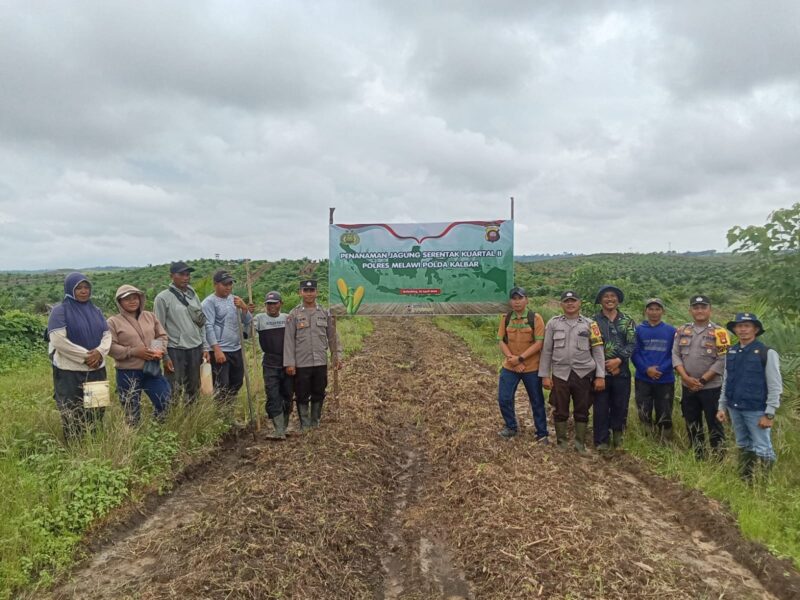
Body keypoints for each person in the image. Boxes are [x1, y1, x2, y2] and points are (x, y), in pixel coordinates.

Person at [716, 313, 782, 481]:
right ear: (735, 330)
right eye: (739, 326)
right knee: (743, 444)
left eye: (747, 326)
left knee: (763, 448)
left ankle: (764, 484)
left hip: (756, 410)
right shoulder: (731, 351)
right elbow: (726, 380)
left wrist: (769, 413)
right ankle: (746, 480)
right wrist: (722, 406)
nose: (743, 329)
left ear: (756, 329)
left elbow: (775, 386)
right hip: (734, 407)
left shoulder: (766, 353)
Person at [46, 272, 111, 440]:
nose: (84, 291)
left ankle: (95, 443)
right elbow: (58, 340)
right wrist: (86, 357)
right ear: (70, 289)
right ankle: (74, 446)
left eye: (86, 287)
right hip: (70, 371)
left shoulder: (95, 310)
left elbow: (107, 334)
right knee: (72, 411)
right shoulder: (60, 311)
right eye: (79, 288)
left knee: (97, 408)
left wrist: (99, 352)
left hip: (97, 368)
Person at [539, 290, 605, 454]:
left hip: (583, 373)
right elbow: (546, 351)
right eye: (566, 301)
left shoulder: (590, 324)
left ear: (579, 303)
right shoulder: (553, 324)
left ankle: (579, 444)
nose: (570, 304)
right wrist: (545, 375)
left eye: (573, 301)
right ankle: (561, 443)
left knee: (582, 409)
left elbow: (598, 351)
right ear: (561, 304)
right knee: (560, 408)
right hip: (560, 373)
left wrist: (600, 375)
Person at [672, 295, 729, 460]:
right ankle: (698, 456)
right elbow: (675, 355)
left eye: (703, 307)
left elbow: (722, 359)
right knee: (692, 422)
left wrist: (703, 380)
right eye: (696, 307)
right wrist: (686, 378)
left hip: (711, 387)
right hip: (687, 385)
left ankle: (718, 459)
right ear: (690, 310)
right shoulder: (682, 330)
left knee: (714, 424)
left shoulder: (719, 332)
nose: (699, 310)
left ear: (710, 309)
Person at [107, 285, 171, 426]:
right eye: (127, 299)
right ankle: (133, 438)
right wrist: (133, 351)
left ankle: (157, 430)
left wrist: (156, 350)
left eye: (135, 297)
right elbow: (110, 347)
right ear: (120, 302)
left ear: (140, 299)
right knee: (131, 410)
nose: (132, 301)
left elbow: (161, 335)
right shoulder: (113, 322)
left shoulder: (149, 316)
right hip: (127, 372)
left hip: (151, 368)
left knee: (164, 400)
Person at [284, 279, 342, 431]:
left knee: (319, 391)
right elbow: (289, 340)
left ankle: (315, 422)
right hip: (301, 363)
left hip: (320, 362)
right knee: (302, 394)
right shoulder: (294, 314)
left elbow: (332, 337)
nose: (309, 294)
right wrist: (290, 363)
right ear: (300, 292)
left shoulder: (325, 313)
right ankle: (305, 424)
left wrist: (336, 356)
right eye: (305, 291)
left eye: (312, 291)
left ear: (316, 292)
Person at [496, 286, 548, 441]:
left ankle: (542, 433)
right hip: (510, 366)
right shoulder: (506, 318)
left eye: (520, 298)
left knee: (537, 400)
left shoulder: (535, 318)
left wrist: (520, 359)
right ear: (510, 301)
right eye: (514, 298)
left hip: (531, 367)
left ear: (527, 300)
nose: (517, 302)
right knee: (504, 398)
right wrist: (512, 359)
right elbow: (501, 341)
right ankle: (511, 427)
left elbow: (539, 344)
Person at [154, 261, 208, 403]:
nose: (186, 277)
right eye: (181, 274)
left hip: (195, 347)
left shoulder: (193, 295)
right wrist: (164, 356)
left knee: (194, 386)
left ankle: (193, 419)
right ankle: (174, 420)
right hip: (175, 349)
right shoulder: (162, 298)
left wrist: (205, 346)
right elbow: (157, 328)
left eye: (187, 274)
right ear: (172, 276)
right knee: (174, 388)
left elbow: (201, 322)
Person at [591, 285, 636, 454]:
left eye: (613, 296)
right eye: (606, 296)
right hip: (600, 373)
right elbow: (591, 346)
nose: (610, 299)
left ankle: (618, 437)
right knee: (601, 406)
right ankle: (601, 440)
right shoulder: (593, 321)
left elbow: (632, 344)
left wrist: (618, 360)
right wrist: (604, 366)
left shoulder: (627, 320)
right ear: (600, 300)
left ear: (618, 299)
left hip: (622, 372)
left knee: (620, 405)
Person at [202, 269, 254, 405]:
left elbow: (248, 320)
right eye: (225, 284)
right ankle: (222, 418)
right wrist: (216, 349)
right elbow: (208, 326)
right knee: (222, 385)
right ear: (215, 284)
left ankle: (228, 412)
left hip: (236, 348)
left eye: (230, 284)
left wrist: (244, 308)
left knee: (237, 382)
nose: (228, 287)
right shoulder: (209, 303)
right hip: (220, 351)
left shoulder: (235, 300)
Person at [631, 298, 677, 442]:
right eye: (651, 309)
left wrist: (661, 369)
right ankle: (647, 439)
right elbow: (634, 352)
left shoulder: (671, 331)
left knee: (665, 410)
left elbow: (675, 354)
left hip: (665, 379)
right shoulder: (638, 330)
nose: (654, 312)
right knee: (644, 410)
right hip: (643, 378)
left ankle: (665, 441)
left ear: (663, 311)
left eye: (657, 309)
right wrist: (646, 369)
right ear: (645, 311)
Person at [254, 291, 294, 440]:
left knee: (287, 394)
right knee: (273, 394)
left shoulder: (287, 318)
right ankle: (278, 429)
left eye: (274, 303)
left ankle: (284, 427)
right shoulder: (259, 319)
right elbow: (246, 331)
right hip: (270, 363)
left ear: (280, 304)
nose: (271, 307)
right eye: (268, 304)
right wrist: (246, 313)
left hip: (287, 361)